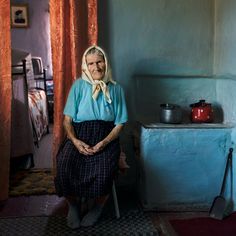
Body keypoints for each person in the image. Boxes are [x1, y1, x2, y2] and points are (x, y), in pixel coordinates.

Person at [54, 45, 128, 229]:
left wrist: (103, 143)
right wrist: (76, 141)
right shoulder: (78, 85)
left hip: (106, 136)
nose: (96, 67)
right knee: (64, 164)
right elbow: (67, 121)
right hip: (80, 134)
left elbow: (120, 124)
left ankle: (97, 208)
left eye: (99, 62)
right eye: (91, 63)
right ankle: (73, 206)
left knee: (105, 169)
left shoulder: (116, 89)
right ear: (85, 66)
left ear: (106, 63)